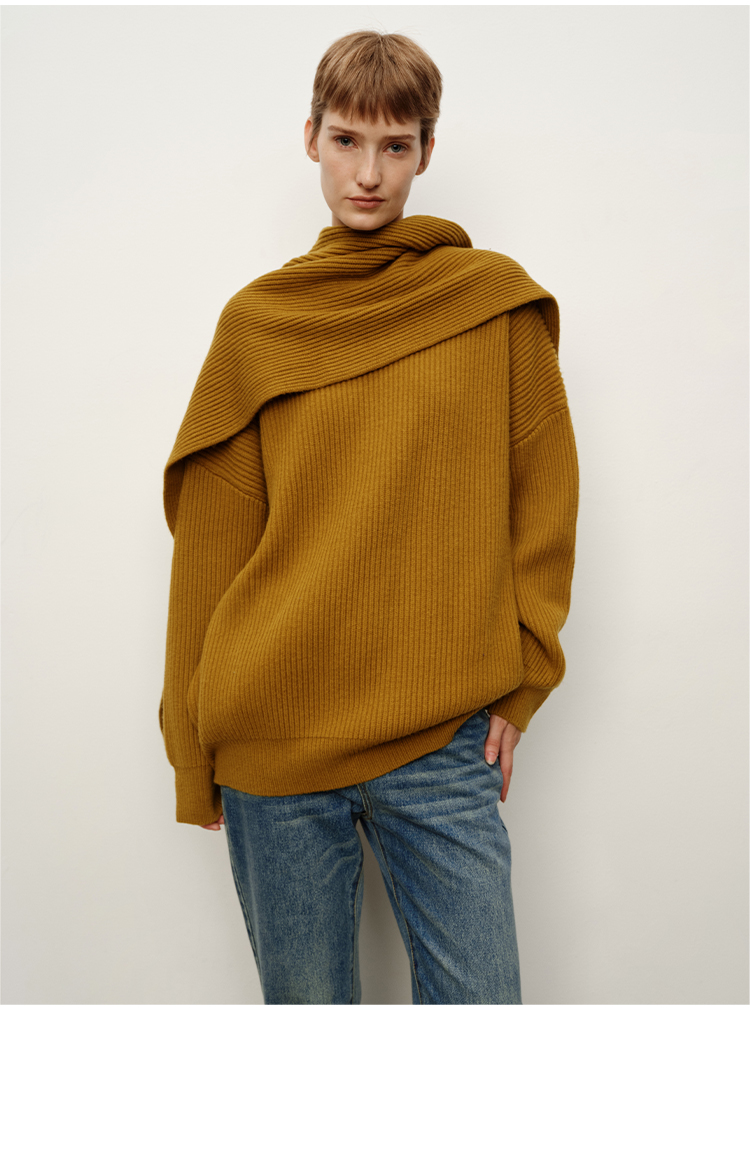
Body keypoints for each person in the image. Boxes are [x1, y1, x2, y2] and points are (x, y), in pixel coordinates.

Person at [160, 30, 579, 1005]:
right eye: (348, 140)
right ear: (311, 138)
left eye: (395, 146)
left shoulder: (491, 307)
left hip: (442, 735)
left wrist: (525, 680)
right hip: (273, 740)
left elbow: (543, 504)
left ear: (427, 150)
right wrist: (192, 751)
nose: (368, 173)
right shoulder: (259, 327)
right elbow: (211, 551)